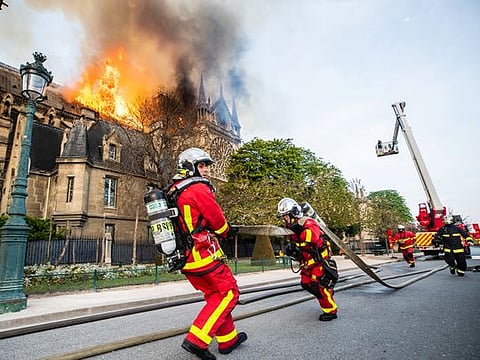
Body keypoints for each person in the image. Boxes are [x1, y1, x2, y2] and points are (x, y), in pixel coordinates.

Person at [167, 147, 247, 360]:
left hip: (187, 258)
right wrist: (227, 231)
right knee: (229, 293)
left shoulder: (175, 189)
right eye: (202, 166)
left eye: (206, 166)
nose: (206, 171)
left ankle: (227, 340)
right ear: (190, 168)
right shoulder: (197, 189)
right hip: (203, 254)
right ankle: (197, 340)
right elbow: (217, 219)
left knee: (215, 295)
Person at [277, 197, 338, 321]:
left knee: (318, 284)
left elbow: (313, 237)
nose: (285, 219)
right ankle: (325, 295)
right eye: (283, 216)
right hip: (307, 261)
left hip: (319, 259)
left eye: (286, 215)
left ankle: (331, 311)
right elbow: (296, 243)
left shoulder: (307, 222)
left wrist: (300, 231)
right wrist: (293, 251)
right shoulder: (291, 227)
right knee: (305, 283)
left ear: (293, 213)